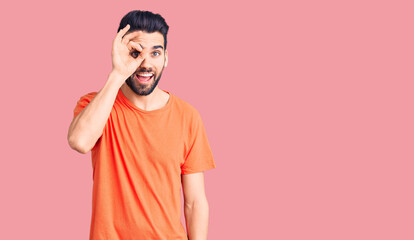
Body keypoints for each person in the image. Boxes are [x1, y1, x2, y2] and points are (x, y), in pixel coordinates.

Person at [67, 10, 216, 240]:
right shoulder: (95, 104)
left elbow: (195, 202)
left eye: (155, 53)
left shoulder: (188, 116)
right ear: (121, 52)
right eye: (135, 52)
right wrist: (118, 73)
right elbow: (79, 141)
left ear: (166, 57)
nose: (145, 63)